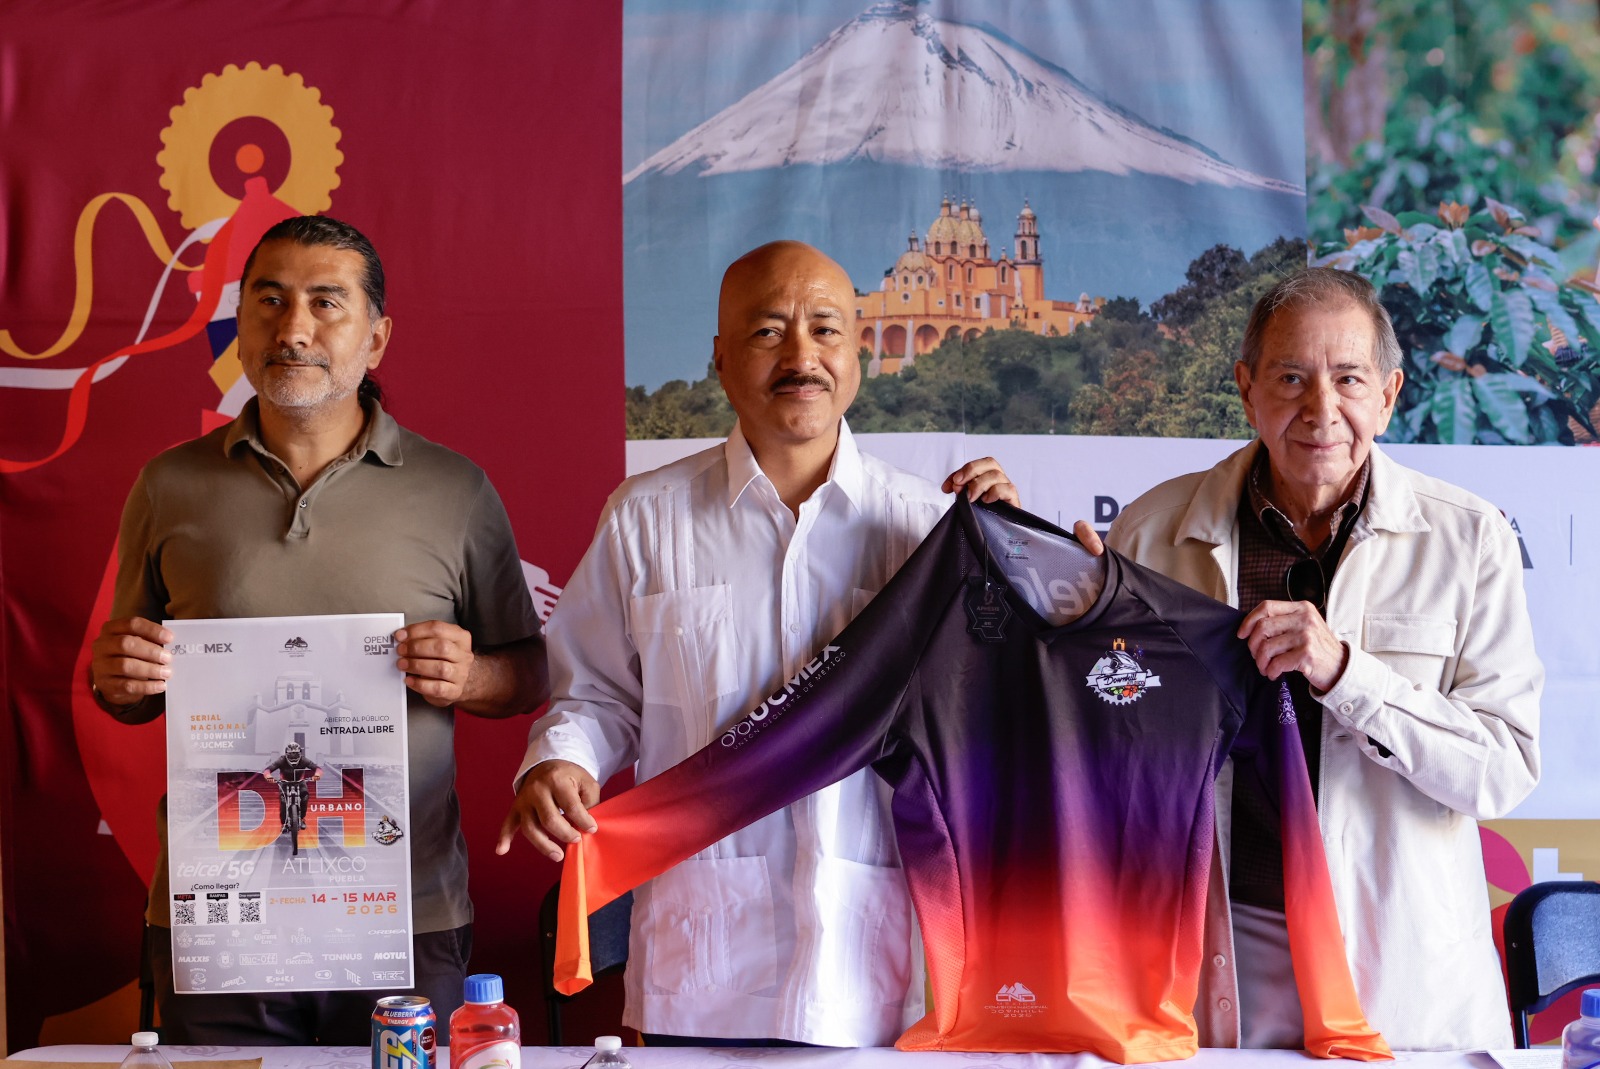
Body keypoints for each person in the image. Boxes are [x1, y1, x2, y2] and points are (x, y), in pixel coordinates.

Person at [496, 240, 1018, 1047]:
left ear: (859, 351)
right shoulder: (646, 518)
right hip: (699, 967)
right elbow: (594, 694)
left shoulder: (928, 527)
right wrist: (562, 759)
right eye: (769, 330)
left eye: (825, 329)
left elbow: (990, 718)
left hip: (873, 968)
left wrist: (1009, 564)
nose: (801, 356)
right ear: (720, 358)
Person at [89, 215, 549, 1043]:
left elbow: (529, 674)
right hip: (217, 908)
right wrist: (117, 676)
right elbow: (128, 689)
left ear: (376, 337)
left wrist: (473, 674)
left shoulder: (455, 491)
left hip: (403, 912)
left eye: (325, 303)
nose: (293, 328)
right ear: (240, 325)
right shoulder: (167, 484)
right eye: (269, 300)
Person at [1091, 267, 1540, 1050]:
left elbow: (1502, 769)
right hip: (1220, 945)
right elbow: (1110, 750)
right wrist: (1068, 622)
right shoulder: (1150, 531)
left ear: (1389, 395)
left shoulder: (1471, 539)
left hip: (1400, 962)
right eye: (1291, 378)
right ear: (1247, 390)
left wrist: (1347, 674)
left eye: (1349, 379)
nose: (1321, 409)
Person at [264, 741, 324, 834]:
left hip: (300, 782)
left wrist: (317, 775)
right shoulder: (281, 760)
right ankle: (284, 823)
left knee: (305, 798)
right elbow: (268, 769)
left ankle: (302, 818)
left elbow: (318, 768)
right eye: (291, 754)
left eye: (295, 754)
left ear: (300, 753)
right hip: (284, 783)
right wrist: (268, 776)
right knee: (283, 802)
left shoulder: (304, 760)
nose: (293, 757)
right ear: (286, 754)